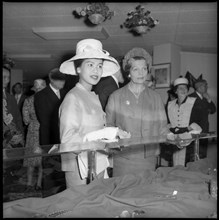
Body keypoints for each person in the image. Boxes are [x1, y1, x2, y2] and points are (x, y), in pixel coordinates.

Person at [59, 38, 120, 187]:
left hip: (96, 162)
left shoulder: (93, 96)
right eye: (90, 64)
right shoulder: (73, 97)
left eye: (99, 66)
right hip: (79, 168)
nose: (96, 70)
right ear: (78, 69)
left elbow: (95, 129)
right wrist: (99, 140)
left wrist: (113, 134)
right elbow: (67, 140)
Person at [105, 47, 168, 177]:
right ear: (129, 72)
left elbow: (163, 128)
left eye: (144, 69)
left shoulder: (155, 97)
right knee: (124, 193)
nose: (141, 73)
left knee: (145, 193)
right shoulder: (115, 96)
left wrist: (176, 137)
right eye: (136, 69)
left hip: (148, 157)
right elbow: (108, 127)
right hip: (124, 157)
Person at [166, 77, 202, 166]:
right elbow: (167, 121)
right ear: (175, 91)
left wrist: (186, 130)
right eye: (180, 88)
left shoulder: (195, 102)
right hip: (173, 138)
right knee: (174, 165)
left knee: (187, 165)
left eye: (185, 88)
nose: (183, 90)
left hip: (189, 138)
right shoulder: (170, 104)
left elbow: (198, 121)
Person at [22, 79, 46, 192]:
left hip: (32, 132)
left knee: (31, 160)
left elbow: (26, 120)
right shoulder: (50, 101)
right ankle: (39, 184)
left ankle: (29, 184)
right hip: (45, 133)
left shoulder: (28, 101)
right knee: (42, 160)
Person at [34, 68, 66, 145]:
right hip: (50, 138)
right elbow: (44, 120)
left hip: (65, 136)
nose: (63, 82)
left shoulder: (67, 93)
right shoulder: (40, 95)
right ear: (51, 79)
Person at [189, 78, 216, 159]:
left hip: (204, 130)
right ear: (199, 87)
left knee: (203, 154)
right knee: (194, 154)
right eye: (205, 85)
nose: (207, 87)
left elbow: (213, 110)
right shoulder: (190, 98)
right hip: (194, 131)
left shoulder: (205, 98)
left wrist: (209, 100)